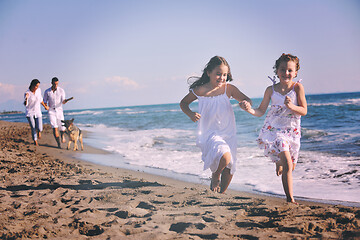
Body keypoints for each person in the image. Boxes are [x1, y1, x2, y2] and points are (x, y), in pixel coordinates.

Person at [241, 53, 307, 203]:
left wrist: (291, 106)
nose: (286, 73)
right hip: (275, 131)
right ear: (276, 71)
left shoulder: (298, 88)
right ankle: (290, 199)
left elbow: (304, 110)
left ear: (296, 72)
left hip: (293, 132)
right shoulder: (270, 90)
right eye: (282, 69)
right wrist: (249, 109)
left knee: (291, 167)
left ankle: (279, 161)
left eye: (290, 70)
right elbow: (261, 111)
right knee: (288, 166)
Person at [180, 56, 251, 193]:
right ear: (208, 73)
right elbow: (183, 103)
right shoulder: (200, 90)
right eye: (218, 74)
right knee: (225, 156)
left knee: (230, 165)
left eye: (224, 75)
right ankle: (216, 174)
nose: (221, 78)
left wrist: (246, 104)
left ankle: (220, 194)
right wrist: (190, 114)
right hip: (210, 132)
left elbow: (246, 99)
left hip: (229, 132)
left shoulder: (228, 89)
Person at [43, 77, 68, 148]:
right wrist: (45, 106)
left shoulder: (61, 90)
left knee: (62, 128)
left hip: (59, 110)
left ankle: (62, 136)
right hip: (51, 111)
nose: (56, 85)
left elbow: (63, 101)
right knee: (54, 127)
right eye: (54, 84)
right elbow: (44, 101)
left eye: (57, 84)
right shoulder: (47, 91)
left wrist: (64, 101)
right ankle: (58, 144)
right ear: (51, 83)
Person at [24, 79, 49, 145]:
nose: (37, 87)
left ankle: (39, 132)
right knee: (33, 126)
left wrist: (45, 106)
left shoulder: (38, 90)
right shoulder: (27, 93)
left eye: (38, 86)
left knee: (40, 128)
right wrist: (26, 98)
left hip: (38, 112)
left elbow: (40, 100)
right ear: (32, 85)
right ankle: (35, 140)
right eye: (36, 86)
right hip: (30, 112)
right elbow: (25, 104)